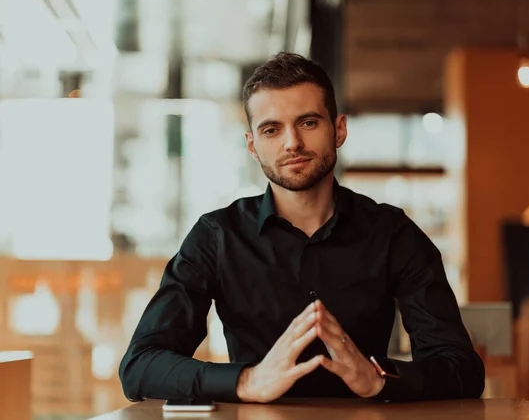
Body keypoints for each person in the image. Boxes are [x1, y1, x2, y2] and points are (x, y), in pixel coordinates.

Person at [118, 52, 485, 404]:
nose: (292, 143)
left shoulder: (394, 233)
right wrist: (246, 380)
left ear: (339, 129)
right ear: (252, 145)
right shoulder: (217, 236)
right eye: (271, 129)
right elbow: (140, 366)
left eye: (308, 123)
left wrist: (379, 379)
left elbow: (464, 370)